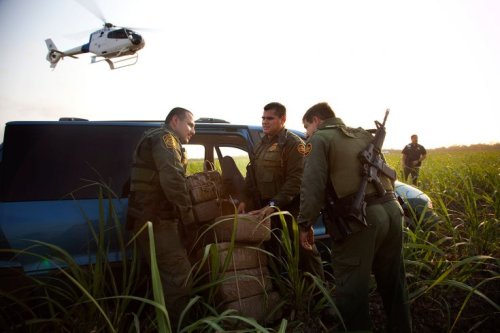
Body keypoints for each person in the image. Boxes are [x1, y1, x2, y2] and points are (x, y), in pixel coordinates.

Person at [297, 102, 412, 332]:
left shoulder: (319, 139)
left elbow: (312, 186)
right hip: (392, 210)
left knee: (351, 293)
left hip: (360, 218)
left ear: (316, 121)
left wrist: (305, 223)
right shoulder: (361, 134)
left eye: (307, 127)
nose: (307, 132)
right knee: (394, 284)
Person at [126, 107, 196, 329]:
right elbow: (173, 180)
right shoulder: (167, 139)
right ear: (175, 120)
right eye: (190, 124)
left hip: (145, 220)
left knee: (160, 279)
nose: (193, 131)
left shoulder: (153, 137)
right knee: (179, 280)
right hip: (159, 223)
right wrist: (189, 218)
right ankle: (181, 327)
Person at [237, 102, 324, 279]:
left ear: (282, 119)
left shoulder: (293, 144)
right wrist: (244, 199)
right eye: (263, 118)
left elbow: (296, 180)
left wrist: (273, 204)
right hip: (268, 211)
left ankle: (319, 295)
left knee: (304, 253)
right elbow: (251, 174)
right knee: (275, 256)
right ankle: (288, 295)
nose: (265, 122)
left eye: (270, 118)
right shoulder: (261, 144)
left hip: (290, 210)